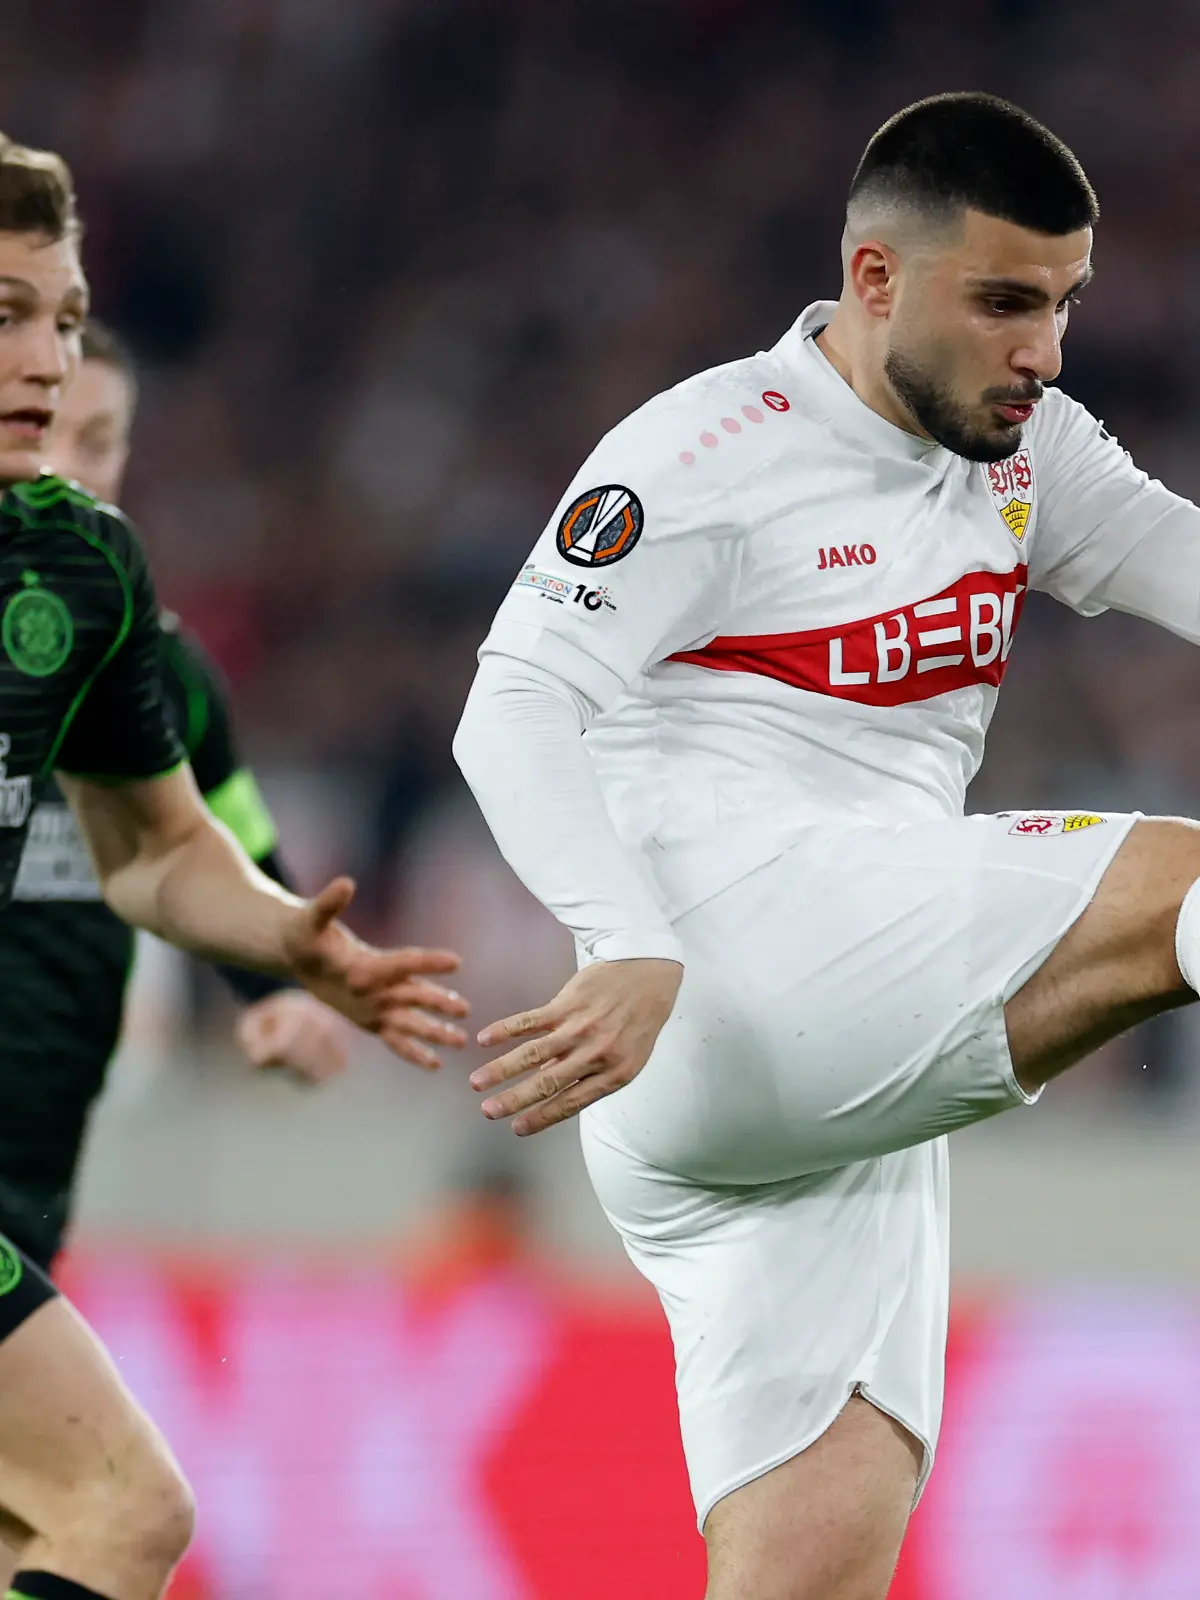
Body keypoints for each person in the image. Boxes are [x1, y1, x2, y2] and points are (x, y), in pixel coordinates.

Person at [454, 91, 1200, 1600]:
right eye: (1005, 303)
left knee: (814, 1563)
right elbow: (510, 706)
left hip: (822, 1058)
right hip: (717, 974)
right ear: (874, 277)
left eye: (1063, 305)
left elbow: (1176, 554)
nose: (1045, 352)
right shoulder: (705, 452)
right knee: (1181, 882)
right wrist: (625, 934)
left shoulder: (1021, 443)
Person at [0, 132, 468, 1600]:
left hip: (27, 1174)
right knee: (115, 1505)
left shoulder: (76, 577)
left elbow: (160, 846)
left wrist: (285, 948)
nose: (45, 363)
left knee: (78, 1517)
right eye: (8, 317)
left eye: (66, 320)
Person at [0, 320, 346, 1278]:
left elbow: (229, 849)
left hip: (40, 1165)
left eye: (100, 440)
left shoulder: (164, 676)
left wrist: (277, 992)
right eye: (46, 431)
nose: (71, 467)